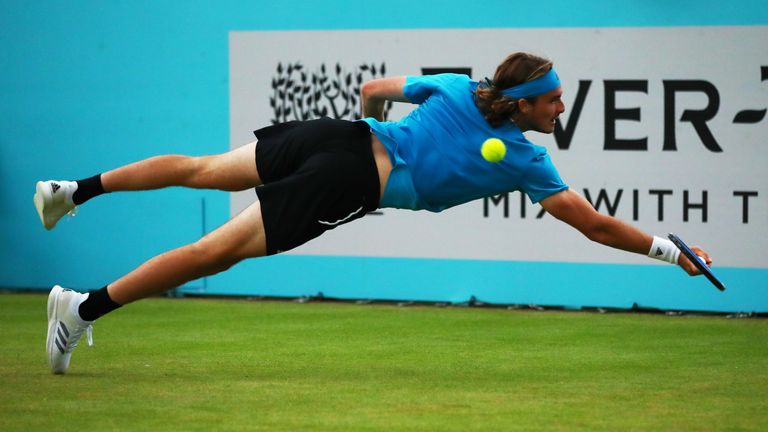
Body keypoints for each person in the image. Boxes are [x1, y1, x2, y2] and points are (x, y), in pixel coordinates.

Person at [36, 52, 712, 374]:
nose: (562, 109)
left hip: (337, 136)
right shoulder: (526, 162)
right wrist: (667, 248)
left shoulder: (456, 84)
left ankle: (72, 190)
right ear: (528, 105)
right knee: (213, 254)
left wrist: (368, 139)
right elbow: (593, 223)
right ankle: (80, 309)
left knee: (201, 168)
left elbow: (368, 91)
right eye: (555, 101)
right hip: (348, 175)